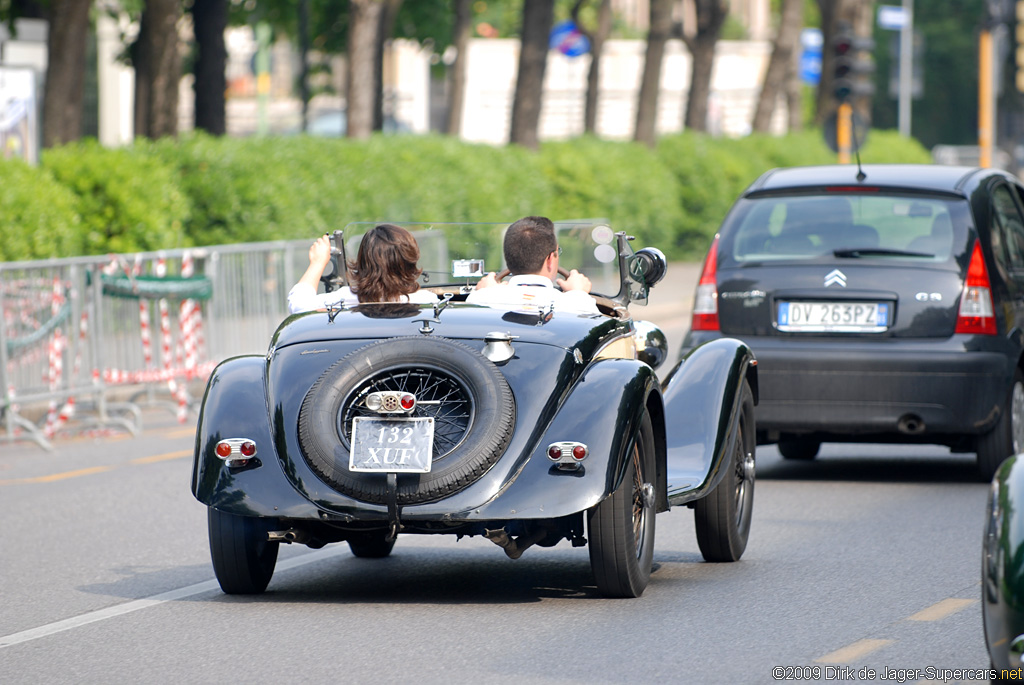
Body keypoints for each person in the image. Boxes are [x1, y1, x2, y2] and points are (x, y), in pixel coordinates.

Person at [287, 223, 438, 314]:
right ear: (409, 262)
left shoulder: (344, 300)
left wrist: (318, 262)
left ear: (364, 261)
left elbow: (299, 305)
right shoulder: (427, 302)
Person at [466, 216, 600, 315]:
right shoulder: (579, 304)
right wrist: (578, 292)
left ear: (508, 257)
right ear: (549, 260)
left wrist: (485, 291)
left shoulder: (480, 299)